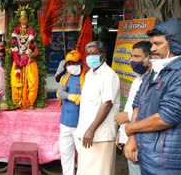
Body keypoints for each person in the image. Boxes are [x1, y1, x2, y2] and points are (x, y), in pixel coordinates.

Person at [124, 18, 181, 175]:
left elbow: (167, 117)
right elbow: (138, 104)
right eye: (151, 44)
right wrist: (132, 138)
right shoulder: (154, 71)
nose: (153, 49)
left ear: (175, 43)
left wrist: (130, 128)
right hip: (147, 156)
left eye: (158, 44)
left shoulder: (178, 73)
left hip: (168, 163)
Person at [76, 41, 120, 175]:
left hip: (101, 136)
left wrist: (91, 129)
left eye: (94, 53)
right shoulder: (89, 74)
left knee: (100, 171)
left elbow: (107, 104)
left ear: (103, 55)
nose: (90, 57)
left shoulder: (108, 75)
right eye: (88, 54)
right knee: (85, 171)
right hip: (87, 134)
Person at [114, 41, 152, 175]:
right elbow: (130, 106)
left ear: (149, 58)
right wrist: (121, 132)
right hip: (129, 137)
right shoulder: (137, 79)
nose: (132, 60)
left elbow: (156, 113)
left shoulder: (154, 81)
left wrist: (128, 117)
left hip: (142, 140)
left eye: (137, 57)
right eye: (131, 56)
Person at [57, 50, 86, 175]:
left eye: (73, 63)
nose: (71, 66)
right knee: (65, 155)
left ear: (80, 62)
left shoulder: (87, 78)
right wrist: (67, 95)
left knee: (84, 156)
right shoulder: (65, 77)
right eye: (68, 63)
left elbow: (90, 99)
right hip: (64, 123)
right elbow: (60, 94)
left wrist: (72, 97)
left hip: (80, 124)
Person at [9, 7, 39, 109]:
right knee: (15, 83)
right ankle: (17, 102)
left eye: (25, 28)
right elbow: (12, 49)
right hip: (17, 63)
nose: (23, 30)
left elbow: (36, 51)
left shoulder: (31, 37)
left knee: (32, 83)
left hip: (30, 63)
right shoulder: (15, 37)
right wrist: (9, 51)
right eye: (21, 28)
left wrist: (32, 54)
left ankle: (30, 103)